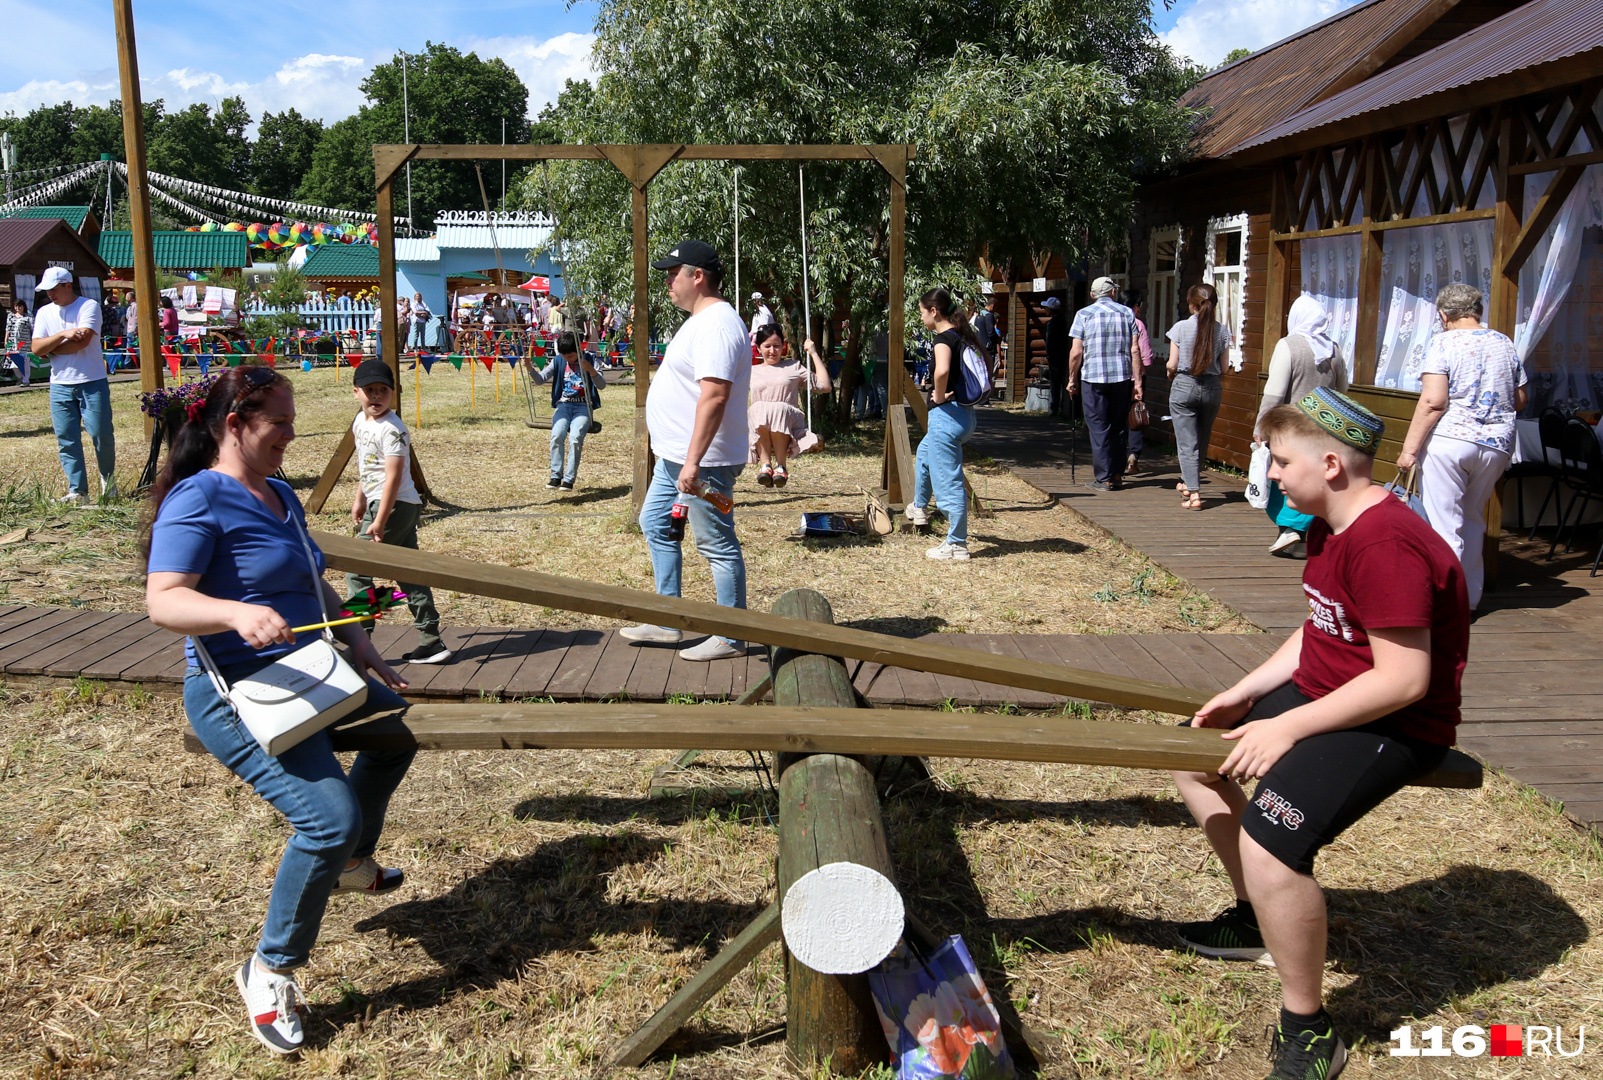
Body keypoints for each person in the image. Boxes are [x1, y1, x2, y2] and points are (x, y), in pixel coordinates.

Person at [1169, 386, 1468, 1080]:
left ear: (1330, 463)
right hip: (1331, 692)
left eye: (1279, 462)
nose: (1272, 474)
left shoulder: (1386, 541)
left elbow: (1402, 681)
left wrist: (1289, 728)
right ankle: (1252, 920)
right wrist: (1244, 692)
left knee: (1272, 840)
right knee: (1192, 758)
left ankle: (1308, 1028)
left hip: (1392, 719)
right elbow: (1321, 626)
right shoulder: (1324, 522)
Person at [143, 365, 416, 1056]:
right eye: (280, 424)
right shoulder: (197, 499)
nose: (292, 436)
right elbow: (164, 599)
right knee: (326, 820)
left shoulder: (279, 493)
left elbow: (312, 580)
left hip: (312, 669)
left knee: (395, 740)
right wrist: (234, 612)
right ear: (234, 424)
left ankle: (353, 864)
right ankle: (268, 969)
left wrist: (358, 642)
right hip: (241, 694)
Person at [621, 239, 750, 662]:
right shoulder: (700, 319)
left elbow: (714, 396)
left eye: (672, 274)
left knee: (715, 542)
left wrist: (693, 463)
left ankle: (731, 635)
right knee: (655, 522)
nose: (667, 282)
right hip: (678, 459)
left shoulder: (716, 323)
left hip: (703, 463)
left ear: (697, 276)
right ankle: (667, 619)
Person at [1396, 283, 1526, 610]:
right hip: (1496, 443)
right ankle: (1467, 600)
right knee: (1472, 520)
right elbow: (1521, 399)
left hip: (1451, 441)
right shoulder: (1504, 343)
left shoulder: (1443, 342)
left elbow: (1434, 401)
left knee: (1443, 525)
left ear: (1443, 315)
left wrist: (1409, 450)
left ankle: (1444, 606)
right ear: (1477, 310)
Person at [346, 358, 451, 665]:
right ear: (356, 393)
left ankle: (359, 639)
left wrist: (379, 520)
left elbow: (393, 477)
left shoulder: (393, 429)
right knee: (408, 572)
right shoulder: (360, 422)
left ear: (393, 393)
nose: (376, 396)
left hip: (395, 505)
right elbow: (369, 469)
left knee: (357, 568)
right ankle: (431, 639)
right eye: (369, 390)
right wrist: (360, 498)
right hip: (382, 503)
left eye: (383, 390)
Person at [1257, 296, 1350, 554]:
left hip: (1290, 427)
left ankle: (1291, 530)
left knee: (1285, 478)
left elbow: (1274, 392)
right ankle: (1299, 538)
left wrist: (1260, 426)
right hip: (1325, 427)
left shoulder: (1288, 346)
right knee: (1312, 479)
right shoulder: (1334, 349)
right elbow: (1343, 390)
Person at [905, 287, 982, 561]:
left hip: (946, 418)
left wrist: (937, 394)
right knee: (924, 456)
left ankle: (956, 544)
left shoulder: (943, 338)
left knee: (948, 482)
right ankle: (918, 506)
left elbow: (943, 370)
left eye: (922, 313)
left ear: (934, 311)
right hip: (964, 416)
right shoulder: (963, 334)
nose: (922, 319)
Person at [30, 268, 116, 502]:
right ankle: (77, 491)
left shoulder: (89, 306)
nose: (50, 294)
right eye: (47, 290)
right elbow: (36, 349)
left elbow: (81, 343)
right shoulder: (44, 312)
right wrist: (63, 335)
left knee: (101, 434)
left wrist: (51, 348)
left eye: (54, 288)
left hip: (92, 380)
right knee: (66, 439)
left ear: (68, 285)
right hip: (59, 384)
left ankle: (108, 484)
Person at [1068, 277, 1143, 491]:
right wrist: (1138, 382)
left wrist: (1072, 379)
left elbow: (1076, 352)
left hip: (1093, 378)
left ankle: (1105, 477)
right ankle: (1117, 473)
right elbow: (1135, 350)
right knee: (1119, 426)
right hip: (1121, 377)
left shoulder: (1083, 314)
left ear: (1092, 295)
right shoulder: (1127, 313)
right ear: (1112, 293)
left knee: (1098, 427)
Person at [1167, 283, 1232, 511]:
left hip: (1185, 385)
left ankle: (1194, 494)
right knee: (1201, 439)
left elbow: (1172, 364)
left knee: (1187, 442)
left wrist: (1169, 370)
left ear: (1192, 304)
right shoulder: (1222, 331)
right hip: (1212, 387)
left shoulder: (1180, 328)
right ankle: (1187, 482)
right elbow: (1224, 368)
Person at [748, 324, 832, 487]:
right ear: (758, 348)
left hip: (788, 420)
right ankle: (765, 465)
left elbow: (825, 386)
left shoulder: (793, 367)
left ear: (783, 347)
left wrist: (813, 353)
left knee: (778, 408)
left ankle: (781, 465)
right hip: (760, 422)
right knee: (758, 408)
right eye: (767, 346)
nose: (772, 351)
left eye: (776, 346)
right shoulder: (751, 371)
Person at [527, 331, 603, 490]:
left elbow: (601, 385)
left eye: (570, 356)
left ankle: (569, 479)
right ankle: (555, 476)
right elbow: (540, 380)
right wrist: (530, 368)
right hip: (564, 405)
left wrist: (591, 371)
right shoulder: (558, 361)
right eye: (564, 356)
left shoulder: (590, 359)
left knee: (575, 438)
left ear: (579, 350)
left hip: (583, 406)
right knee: (557, 435)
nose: (566, 359)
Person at [1124, 290, 1153, 477]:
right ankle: (1134, 455)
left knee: (1118, 418)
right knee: (1136, 417)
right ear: (1134, 307)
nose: (1140, 310)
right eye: (1139, 305)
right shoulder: (1138, 324)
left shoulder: (1116, 321)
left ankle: (1116, 460)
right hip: (1137, 379)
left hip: (1116, 378)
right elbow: (1147, 358)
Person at [1043, 296, 1068, 415]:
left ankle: (1054, 408)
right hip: (1063, 356)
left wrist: (1050, 355)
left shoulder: (1050, 324)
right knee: (1063, 383)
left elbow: (1049, 342)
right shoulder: (1064, 322)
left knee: (1055, 384)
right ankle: (1062, 407)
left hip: (1054, 358)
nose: (1045, 309)